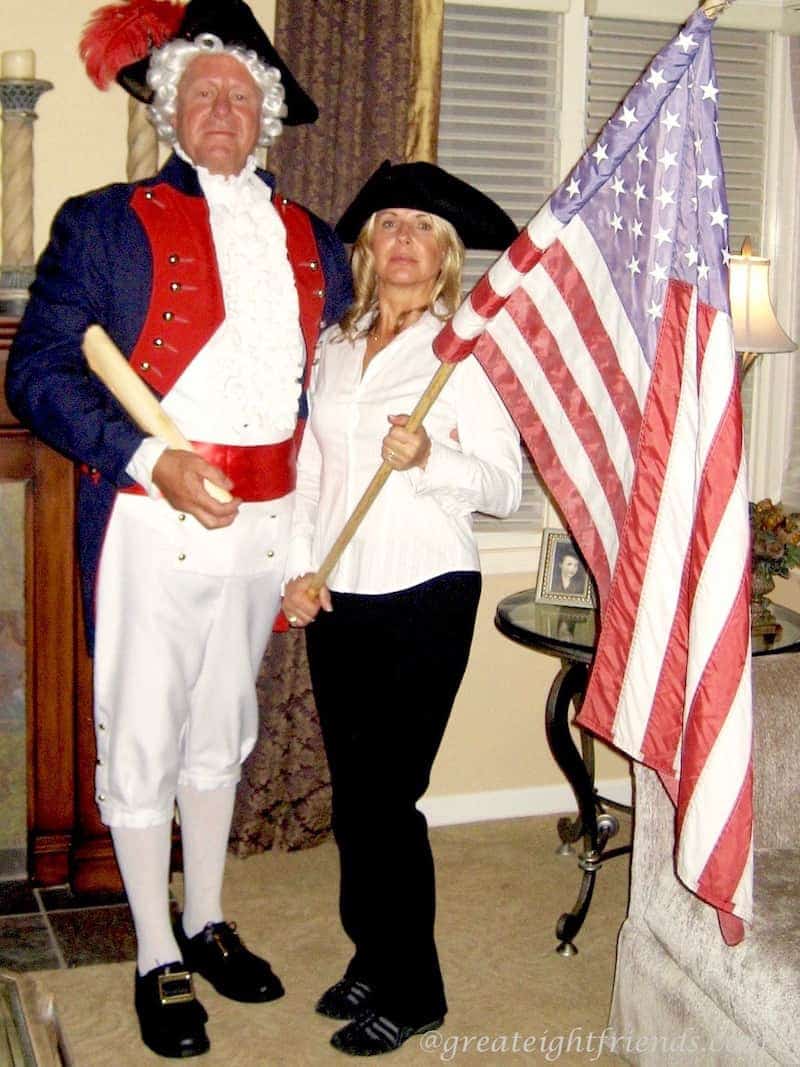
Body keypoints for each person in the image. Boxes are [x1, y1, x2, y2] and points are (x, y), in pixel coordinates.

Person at [6, 0, 350, 1059]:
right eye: (200, 91)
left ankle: (204, 917)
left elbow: (325, 395)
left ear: (267, 123)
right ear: (166, 107)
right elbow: (38, 372)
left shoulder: (313, 241)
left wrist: (308, 537)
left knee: (221, 732)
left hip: (266, 524)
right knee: (145, 734)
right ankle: (154, 946)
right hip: (152, 524)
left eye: (240, 97)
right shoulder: (101, 222)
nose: (220, 109)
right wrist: (153, 456)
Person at [282, 160, 522, 1056]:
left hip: (427, 590)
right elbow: (313, 470)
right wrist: (301, 569)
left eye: (424, 229)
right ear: (368, 247)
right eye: (391, 225)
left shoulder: (464, 352)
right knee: (355, 799)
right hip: (342, 593)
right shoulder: (336, 344)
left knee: (390, 799)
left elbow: (502, 484)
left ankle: (414, 988)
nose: (406, 242)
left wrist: (429, 457)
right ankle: (371, 956)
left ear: (446, 254)